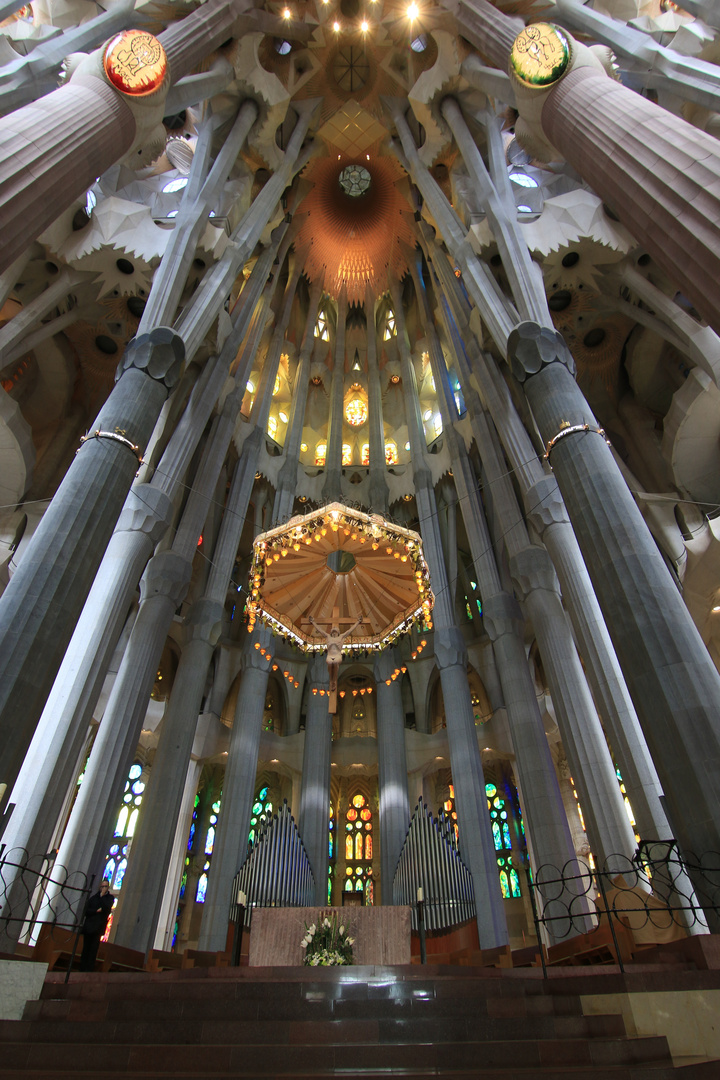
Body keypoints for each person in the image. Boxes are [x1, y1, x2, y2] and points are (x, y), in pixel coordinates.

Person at [308, 613, 364, 695]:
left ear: (338, 632)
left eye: (335, 631)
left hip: (337, 655)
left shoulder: (341, 637)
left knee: (334, 663)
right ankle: (332, 680)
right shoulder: (328, 637)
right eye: (333, 632)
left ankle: (333, 681)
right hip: (330, 656)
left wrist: (358, 622)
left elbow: (350, 630)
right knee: (331, 664)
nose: (334, 633)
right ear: (331, 633)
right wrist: (313, 622)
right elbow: (320, 630)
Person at [78, 879, 114, 971]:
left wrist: (102, 897)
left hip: (98, 927)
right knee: (86, 948)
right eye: (102, 886)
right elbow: (86, 910)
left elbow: (107, 908)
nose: (103, 888)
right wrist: (95, 911)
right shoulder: (94, 898)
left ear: (108, 887)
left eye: (105, 886)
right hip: (89, 927)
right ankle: (82, 968)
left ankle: (89, 969)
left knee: (93, 950)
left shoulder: (109, 898)